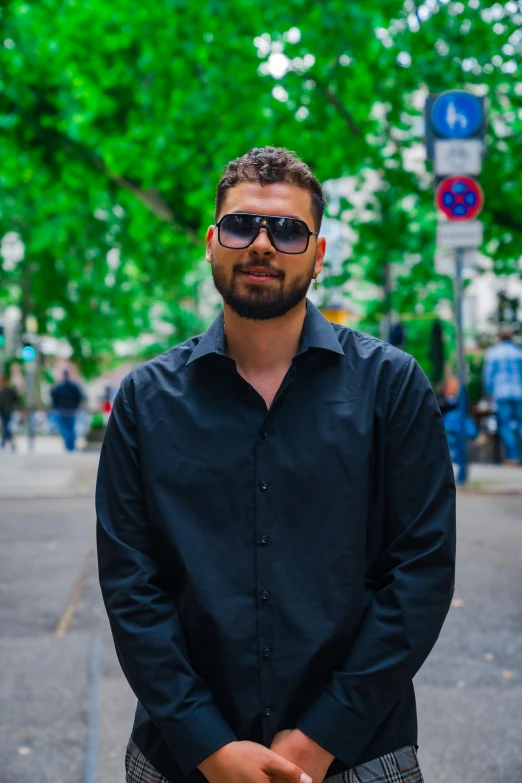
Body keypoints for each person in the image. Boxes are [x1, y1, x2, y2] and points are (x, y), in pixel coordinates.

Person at [96, 147, 456, 783]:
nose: (262, 244)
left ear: (318, 257)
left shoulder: (393, 387)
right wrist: (209, 745)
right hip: (181, 759)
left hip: (360, 754)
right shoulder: (143, 400)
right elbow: (132, 586)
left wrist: (323, 735)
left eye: (289, 230)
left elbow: (420, 575)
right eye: (242, 225)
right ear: (211, 243)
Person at [483, 325, 522, 465]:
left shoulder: (493, 353)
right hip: (519, 393)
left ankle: (513, 457)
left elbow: (488, 376)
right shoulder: (518, 352)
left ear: (499, 337)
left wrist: (488, 393)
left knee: (505, 425)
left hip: (501, 393)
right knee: (520, 423)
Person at [50, 369, 84, 452]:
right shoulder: (73, 386)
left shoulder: (59, 387)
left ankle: (68, 446)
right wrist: (76, 406)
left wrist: (56, 406)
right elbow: (79, 397)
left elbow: (53, 395)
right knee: (71, 429)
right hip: (71, 410)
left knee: (65, 429)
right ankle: (71, 446)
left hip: (62, 410)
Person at [0, 374, 20, 451]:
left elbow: (16, 400)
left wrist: (18, 409)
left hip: (9, 411)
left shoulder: (10, 391)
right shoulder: (2, 391)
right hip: (2, 412)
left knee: (7, 427)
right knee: (6, 427)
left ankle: (4, 442)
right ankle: (10, 443)